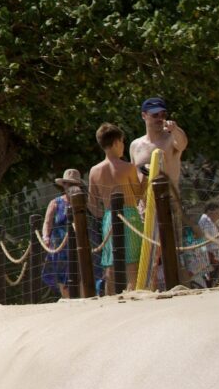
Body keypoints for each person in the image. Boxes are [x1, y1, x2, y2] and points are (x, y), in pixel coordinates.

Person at [89, 122, 147, 292]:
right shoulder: (128, 168)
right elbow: (138, 195)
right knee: (132, 265)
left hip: (108, 219)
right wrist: (146, 176)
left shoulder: (94, 171)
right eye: (122, 141)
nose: (123, 145)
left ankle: (110, 302)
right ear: (115, 142)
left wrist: (104, 216)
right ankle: (132, 299)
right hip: (129, 216)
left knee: (111, 267)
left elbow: (92, 204)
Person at [38, 168, 82, 298]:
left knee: (81, 273)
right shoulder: (55, 203)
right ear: (63, 185)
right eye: (68, 183)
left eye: (73, 184)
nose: (70, 186)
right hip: (59, 245)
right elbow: (47, 222)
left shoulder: (83, 201)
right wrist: (45, 237)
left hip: (79, 244)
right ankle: (66, 298)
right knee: (62, 276)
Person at [130, 98, 188, 190]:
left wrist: (175, 129)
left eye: (163, 114)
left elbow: (183, 144)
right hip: (144, 203)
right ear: (144, 115)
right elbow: (133, 177)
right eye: (155, 115)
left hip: (169, 202)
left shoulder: (171, 139)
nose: (160, 118)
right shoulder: (135, 145)